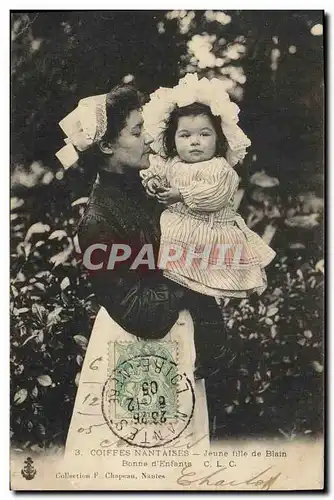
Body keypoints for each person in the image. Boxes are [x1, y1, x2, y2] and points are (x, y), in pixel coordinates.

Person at [55, 83, 227, 451]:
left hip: (176, 343)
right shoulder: (99, 220)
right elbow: (140, 314)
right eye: (136, 131)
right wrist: (191, 283)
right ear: (106, 146)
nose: (149, 139)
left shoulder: (151, 190)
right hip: (136, 353)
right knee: (142, 466)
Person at [141, 73, 276, 301]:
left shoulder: (219, 168)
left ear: (218, 139)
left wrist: (181, 193)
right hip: (179, 233)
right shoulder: (171, 163)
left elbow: (215, 195)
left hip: (210, 236)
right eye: (185, 135)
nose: (195, 141)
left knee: (204, 292)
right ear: (172, 140)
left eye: (204, 134)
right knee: (174, 284)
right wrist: (153, 183)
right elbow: (153, 173)